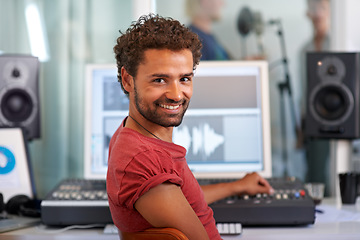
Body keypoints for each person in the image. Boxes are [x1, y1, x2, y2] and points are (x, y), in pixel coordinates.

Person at [107, 14, 273, 240]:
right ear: (128, 80)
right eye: (159, 80)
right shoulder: (144, 159)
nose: (176, 95)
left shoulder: (134, 135)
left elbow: (182, 199)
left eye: (184, 79)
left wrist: (237, 186)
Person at [300, 0, 331, 193]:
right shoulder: (305, 50)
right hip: (312, 120)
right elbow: (304, 90)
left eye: (322, 7)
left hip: (334, 118)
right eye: (314, 8)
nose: (318, 13)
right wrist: (300, 126)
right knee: (314, 171)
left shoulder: (339, 43)